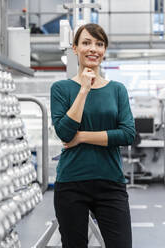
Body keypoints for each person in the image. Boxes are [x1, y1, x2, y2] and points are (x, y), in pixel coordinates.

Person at [50, 23, 135, 248]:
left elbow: (127, 134)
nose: (93, 49)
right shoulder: (61, 89)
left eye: (99, 44)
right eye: (86, 43)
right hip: (71, 183)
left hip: (111, 183)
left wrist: (82, 137)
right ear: (75, 48)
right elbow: (65, 133)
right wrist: (84, 89)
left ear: (104, 50)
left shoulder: (117, 90)